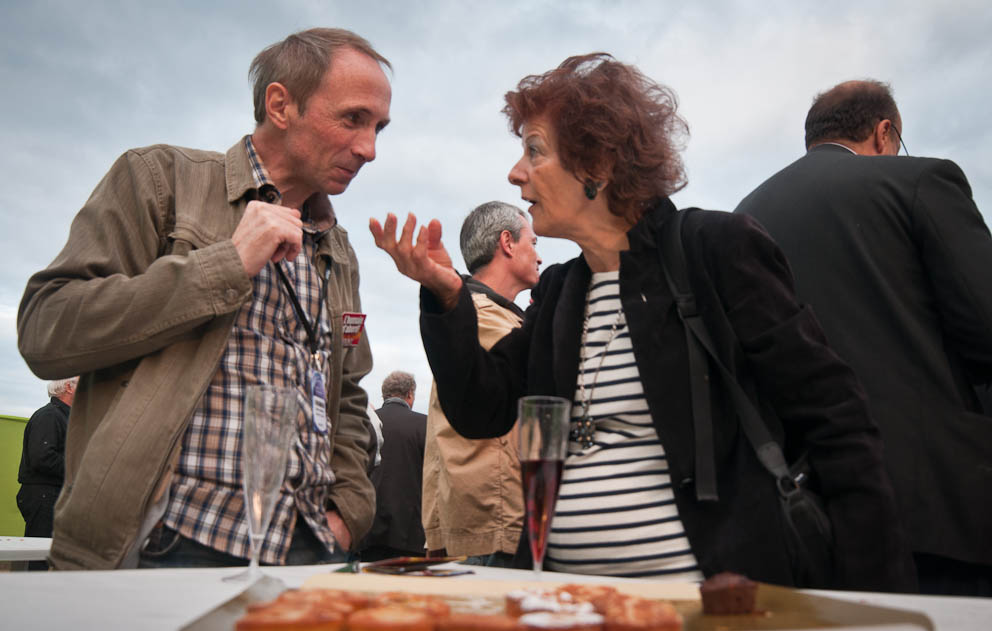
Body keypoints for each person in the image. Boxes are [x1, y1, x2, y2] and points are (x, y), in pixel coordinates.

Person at [371, 53, 916, 592]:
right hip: (571, 610)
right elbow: (478, 408)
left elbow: (835, 420)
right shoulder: (561, 293)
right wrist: (446, 298)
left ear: (598, 166)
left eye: (534, 151)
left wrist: (876, 600)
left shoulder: (714, 251)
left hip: (708, 612)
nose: (516, 173)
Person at [16, 28, 391, 570]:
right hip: (167, 541)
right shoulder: (160, 181)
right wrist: (227, 265)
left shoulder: (338, 250)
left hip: (309, 547)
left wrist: (347, 511)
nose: (369, 148)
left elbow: (349, 393)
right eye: (353, 118)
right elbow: (45, 330)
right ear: (280, 104)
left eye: (378, 127)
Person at [736, 80, 992, 596]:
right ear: (884, 132)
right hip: (934, 503)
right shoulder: (919, 180)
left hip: (799, 510)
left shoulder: (743, 215)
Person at [423, 201, 540, 567]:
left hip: (478, 525)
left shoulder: (465, 317)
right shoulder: (488, 319)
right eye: (533, 243)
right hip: (497, 525)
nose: (538, 257)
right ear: (507, 243)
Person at [360, 371, 428, 561]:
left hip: (368, 530)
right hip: (411, 533)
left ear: (384, 395)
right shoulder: (424, 425)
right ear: (410, 395)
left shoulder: (367, 423)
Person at [16, 377, 77, 570]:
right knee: (38, 556)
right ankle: (33, 596)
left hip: (52, 495)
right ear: (68, 387)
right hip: (43, 496)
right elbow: (42, 458)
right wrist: (77, 471)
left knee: (47, 556)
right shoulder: (49, 416)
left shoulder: (66, 417)